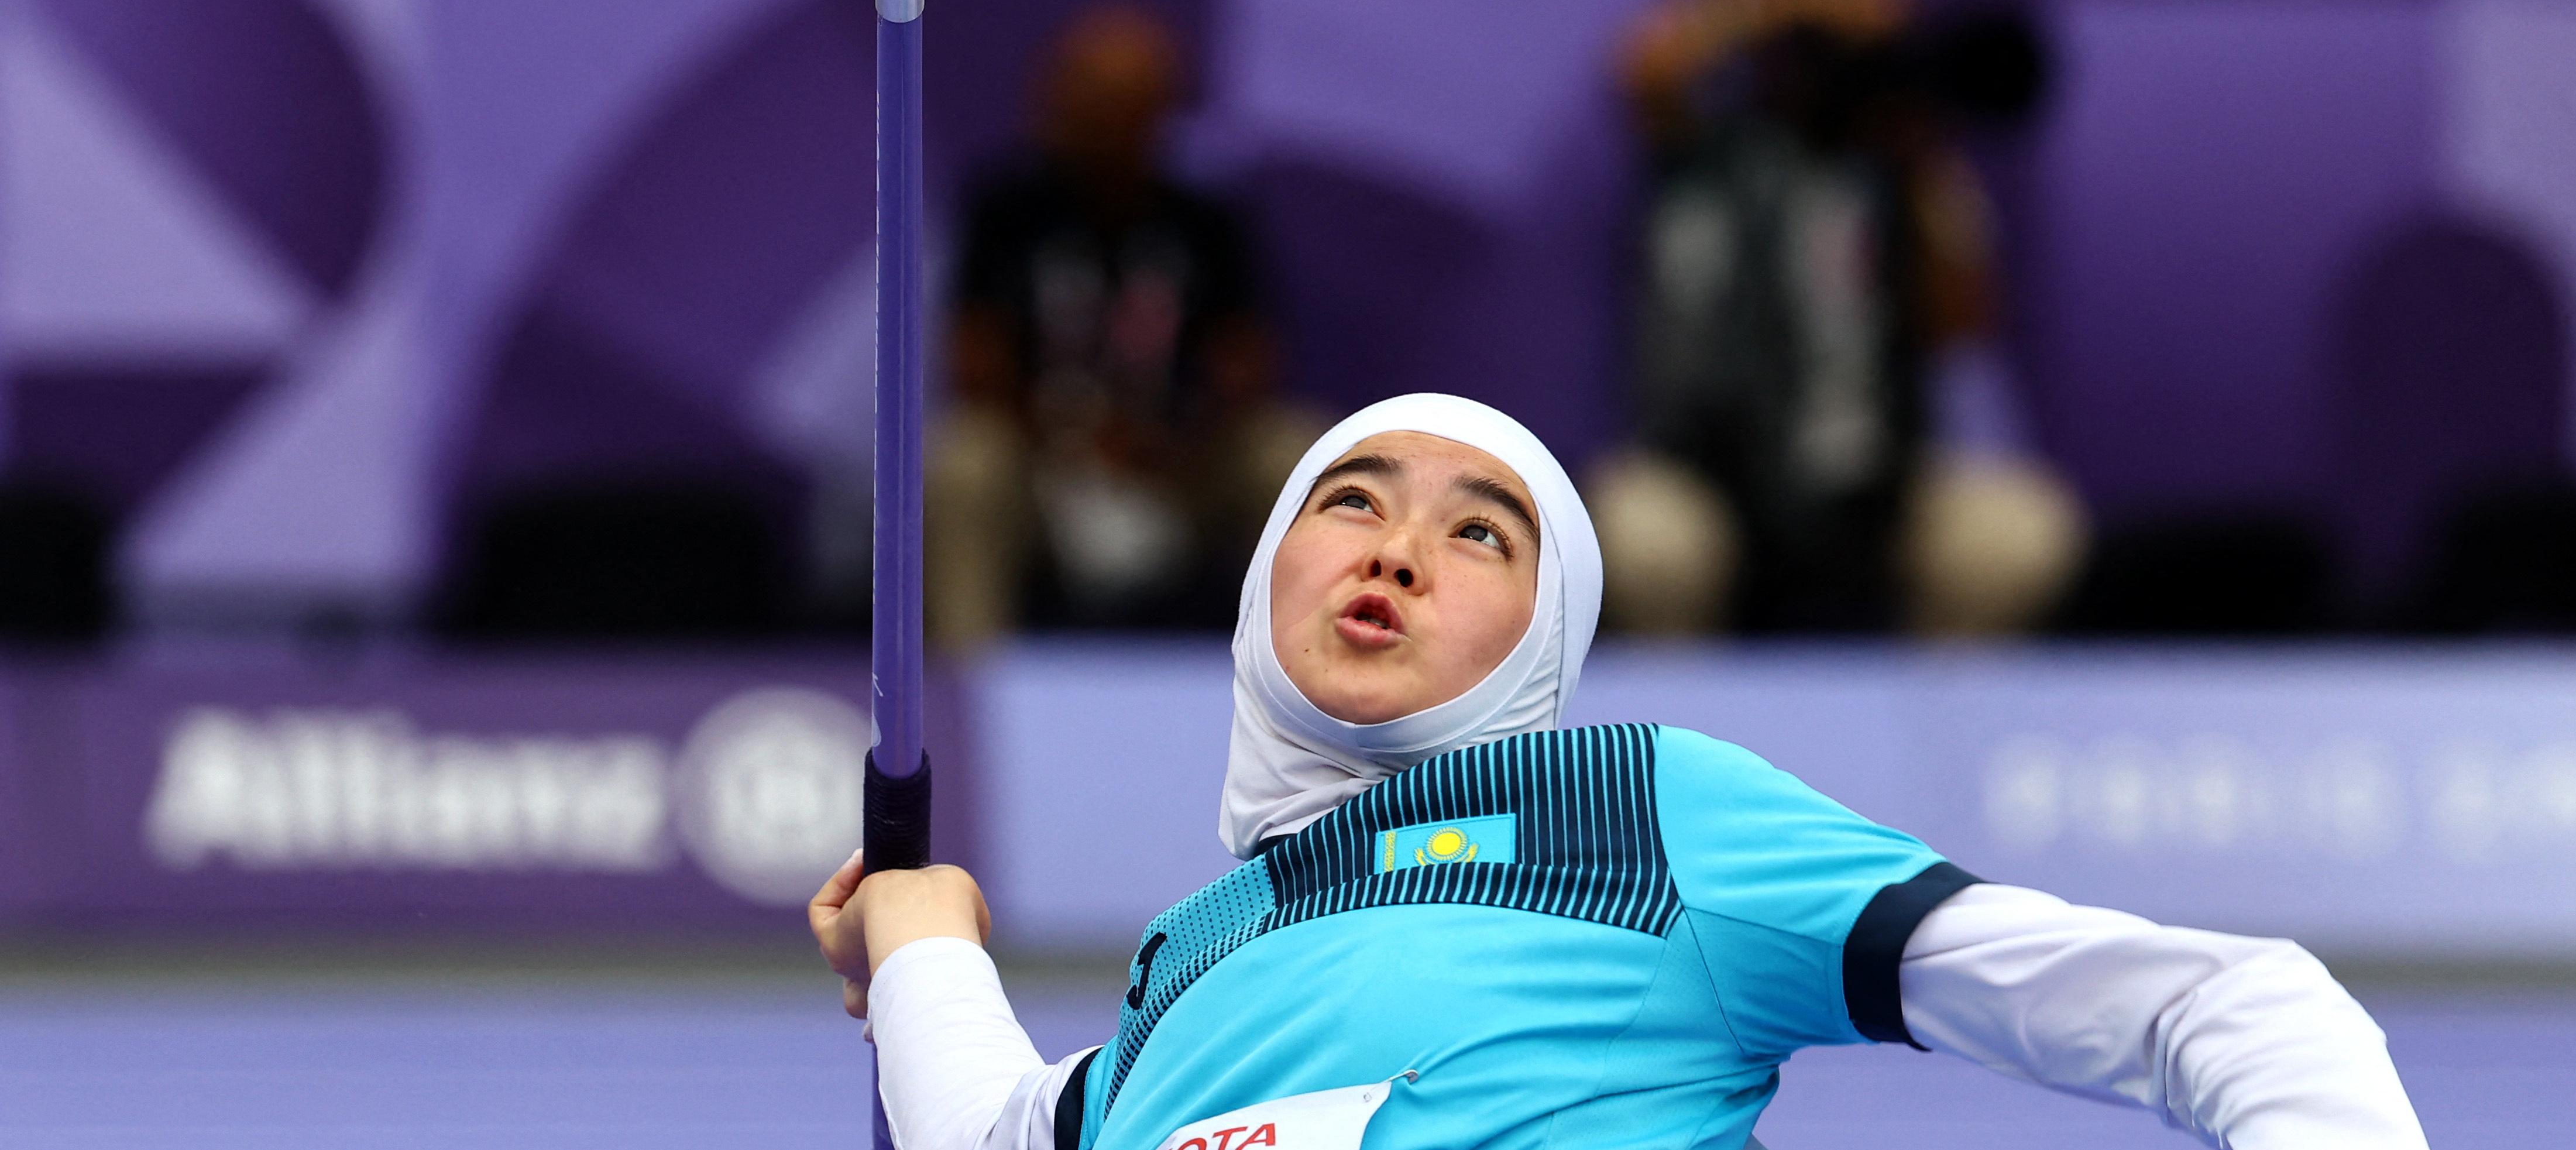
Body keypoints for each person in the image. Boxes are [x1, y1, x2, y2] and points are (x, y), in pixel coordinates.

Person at [815, 392, 2431, 1149]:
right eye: (1349, 499)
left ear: (1550, 635)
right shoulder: (1189, 959)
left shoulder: (1635, 810)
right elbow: (1003, 1138)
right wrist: (921, 934)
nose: (1395, 552)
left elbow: (2226, 1006)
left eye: (1478, 531)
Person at [1595, 0, 2082, 638]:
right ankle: (1680, 740)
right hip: (1705, 472)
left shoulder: (1907, 179)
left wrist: (1923, 163)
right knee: (1644, 539)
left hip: (1876, 482)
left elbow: (1963, 329)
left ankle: (1941, 733)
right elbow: (1645, 68)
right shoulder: (1704, 154)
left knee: (2013, 535)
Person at [925, 3, 1320, 644]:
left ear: (1160, 114)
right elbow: (974, 362)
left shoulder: (1205, 224)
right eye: (1086, 99)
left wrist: (1165, 445)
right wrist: (1072, 443)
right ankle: (969, 703)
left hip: (1177, 472)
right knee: (967, 463)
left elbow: (1248, 367)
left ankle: (1302, 680)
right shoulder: (1008, 214)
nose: (1100, 122)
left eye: (1124, 104)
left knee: (1290, 452)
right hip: (1044, 476)